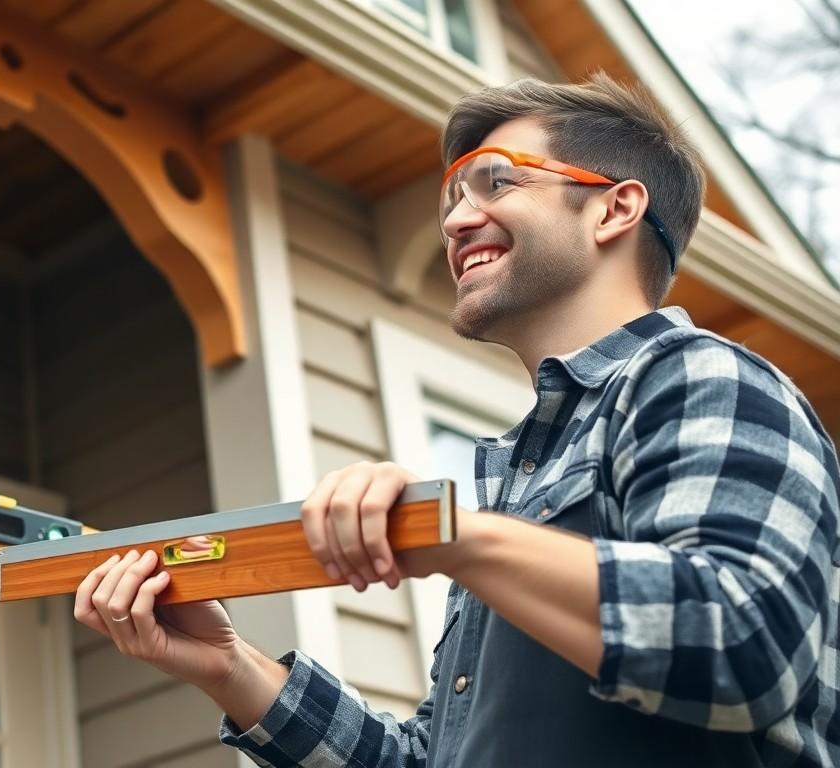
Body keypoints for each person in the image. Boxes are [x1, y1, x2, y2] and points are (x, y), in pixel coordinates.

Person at [73, 73, 840, 767]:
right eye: (450, 199)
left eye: (494, 182)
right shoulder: (516, 493)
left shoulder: (704, 378)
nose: (456, 220)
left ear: (615, 207)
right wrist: (231, 668)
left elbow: (749, 643)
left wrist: (458, 539)